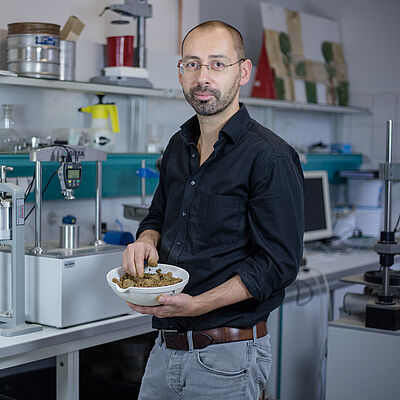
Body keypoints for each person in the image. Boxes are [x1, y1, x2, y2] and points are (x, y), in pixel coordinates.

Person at [121, 20, 305, 400]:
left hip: (229, 357)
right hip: (164, 349)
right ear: (181, 72)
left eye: (217, 64)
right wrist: (145, 240)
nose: (203, 76)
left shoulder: (270, 156)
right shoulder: (179, 144)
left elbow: (279, 263)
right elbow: (157, 216)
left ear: (243, 71)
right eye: (192, 64)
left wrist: (196, 304)